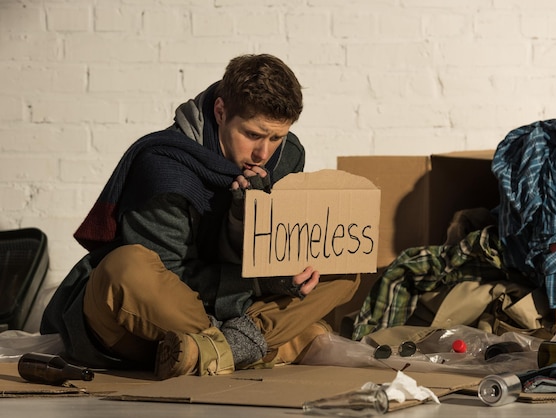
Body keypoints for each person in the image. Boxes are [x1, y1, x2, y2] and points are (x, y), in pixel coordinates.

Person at [40, 53, 360, 379]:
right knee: (126, 267)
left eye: (276, 137)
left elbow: (278, 246)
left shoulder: (286, 157)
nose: (264, 153)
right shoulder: (165, 168)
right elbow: (172, 276)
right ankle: (261, 343)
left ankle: (217, 350)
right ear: (221, 112)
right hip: (145, 323)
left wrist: (286, 267)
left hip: (222, 308)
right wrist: (264, 284)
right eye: (252, 134)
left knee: (343, 264)